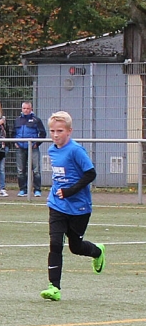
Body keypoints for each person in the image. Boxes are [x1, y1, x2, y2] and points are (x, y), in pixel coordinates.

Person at [40, 111, 105, 302]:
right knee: (55, 243)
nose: (55, 135)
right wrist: (60, 192)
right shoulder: (52, 150)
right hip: (57, 204)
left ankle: (98, 251)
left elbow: (90, 174)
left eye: (60, 131)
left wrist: (70, 191)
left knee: (75, 247)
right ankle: (54, 287)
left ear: (69, 131)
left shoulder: (76, 150)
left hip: (79, 207)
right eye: (52, 131)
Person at [15, 101, 46, 197]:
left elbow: (43, 133)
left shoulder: (36, 120)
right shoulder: (17, 120)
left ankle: (37, 190)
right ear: (21, 109)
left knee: (36, 170)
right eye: (24, 108)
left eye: (27, 108)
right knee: (20, 170)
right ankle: (23, 190)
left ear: (31, 109)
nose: (26, 110)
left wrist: (37, 144)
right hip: (20, 148)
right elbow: (13, 132)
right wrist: (15, 143)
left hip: (33, 148)